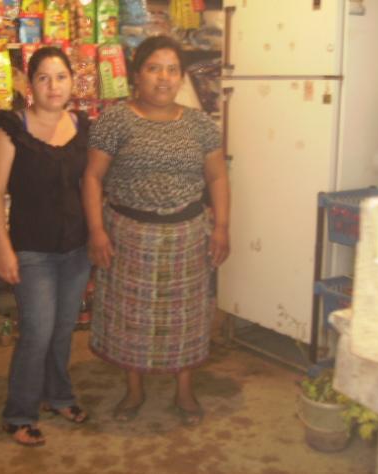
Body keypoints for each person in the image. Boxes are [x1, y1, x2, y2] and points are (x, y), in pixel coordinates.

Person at [82, 35, 230, 426]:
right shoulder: (116, 120)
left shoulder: (200, 124)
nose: (163, 78)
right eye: (153, 68)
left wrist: (222, 227)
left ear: (181, 77)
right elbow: (92, 177)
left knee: (186, 318)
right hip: (129, 237)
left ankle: (185, 391)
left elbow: (217, 177)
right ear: (136, 75)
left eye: (172, 70)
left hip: (186, 237)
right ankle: (134, 390)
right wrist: (96, 231)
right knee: (130, 318)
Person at [0, 46, 92, 446]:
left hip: (76, 248)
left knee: (63, 329)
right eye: (43, 78)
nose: (53, 86)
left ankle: (58, 396)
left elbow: (91, 185)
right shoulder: (10, 130)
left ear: (72, 82)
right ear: (30, 85)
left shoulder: (82, 127)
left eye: (61, 77)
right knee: (37, 331)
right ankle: (19, 413)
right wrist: (3, 250)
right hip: (32, 250)